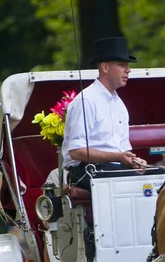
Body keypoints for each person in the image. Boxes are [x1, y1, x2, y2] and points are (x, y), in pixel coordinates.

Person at [61, 36, 148, 190]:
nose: (128, 70)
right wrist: (118, 157)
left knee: (163, 176)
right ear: (105, 67)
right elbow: (75, 151)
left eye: (127, 65)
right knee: (138, 184)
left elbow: (122, 149)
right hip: (84, 171)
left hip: (112, 168)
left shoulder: (119, 104)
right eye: (122, 65)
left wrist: (133, 162)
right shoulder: (86, 100)